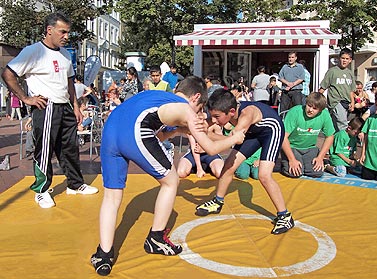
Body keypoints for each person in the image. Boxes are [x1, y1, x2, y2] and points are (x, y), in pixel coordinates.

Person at [90, 76, 245, 276]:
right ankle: (156, 238)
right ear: (196, 97)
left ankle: (104, 254)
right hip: (134, 131)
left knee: (112, 196)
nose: (198, 114)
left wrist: (180, 130)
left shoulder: (159, 97)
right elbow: (211, 147)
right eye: (200, 109)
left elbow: (159, 135)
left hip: (111, 130)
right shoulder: (186, 108)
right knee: (171, 181)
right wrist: (234, 138)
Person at [1, 12, 98, 209]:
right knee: (45, 149)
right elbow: (8, 74)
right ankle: (41, 190)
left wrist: (76, 106)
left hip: (65, 106)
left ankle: (75, 184)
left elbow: (70, 81)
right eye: (63, 32)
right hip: (46, 106)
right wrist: (26, 98)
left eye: (68, 32)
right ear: (49, 30)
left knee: (70, 147)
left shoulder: (64, 54)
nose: (66, 36)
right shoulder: (33, 51)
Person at [195, 88, 294, 235]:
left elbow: (234, 140)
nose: (214, 120)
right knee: (228, 165)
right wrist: (202, 126)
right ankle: (217, 201)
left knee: (264, 175)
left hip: (271, 131)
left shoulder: (246, 116)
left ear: (232, 112)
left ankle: (285, 216)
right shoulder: (226, 111)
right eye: (212, 116)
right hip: (253, 132)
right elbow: (207, 125)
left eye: (216, 117)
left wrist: (210, 142)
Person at [280, 92, 335, 178]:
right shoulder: (295, 112)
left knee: (317, 172)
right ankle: (285, 163)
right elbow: (283, 137)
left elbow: (330, 136)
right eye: (309, 106)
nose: (310, 110)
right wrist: (292, 160)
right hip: (292, 147)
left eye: (315, 108)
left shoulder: (325, 115)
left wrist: (320, 157)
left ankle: (310, 162)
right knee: (295, 172)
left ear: (320, 110)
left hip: (310, 148)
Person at [318, 48, 356, 131]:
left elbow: (351, 90)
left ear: (350, 60)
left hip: (346, 102)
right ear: (339, 58)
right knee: (343, 123)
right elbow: (323, 87)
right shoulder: (332, 71)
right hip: (336, 101)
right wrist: (316, 99)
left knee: (335, 126)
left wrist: (352, 102)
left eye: (347, 59)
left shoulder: (350, 73)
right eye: (343, 58)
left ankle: (334, 142)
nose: (344, 61)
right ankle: (344, 142)